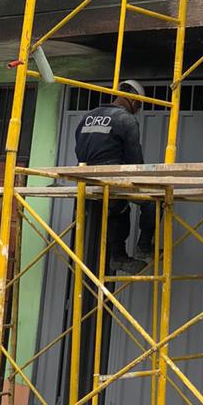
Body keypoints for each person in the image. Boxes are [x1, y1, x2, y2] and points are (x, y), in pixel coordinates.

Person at [74, 80, 154, 274]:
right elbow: (135, 160)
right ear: (134, 100)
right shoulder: (126, 119)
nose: (136, 110)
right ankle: (143, 247)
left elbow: (79, 148)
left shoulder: (88, 116)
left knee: (119, 207)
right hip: (111, 175)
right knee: (153, 200)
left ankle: (118, 255)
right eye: (138, 106)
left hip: (86, 177)